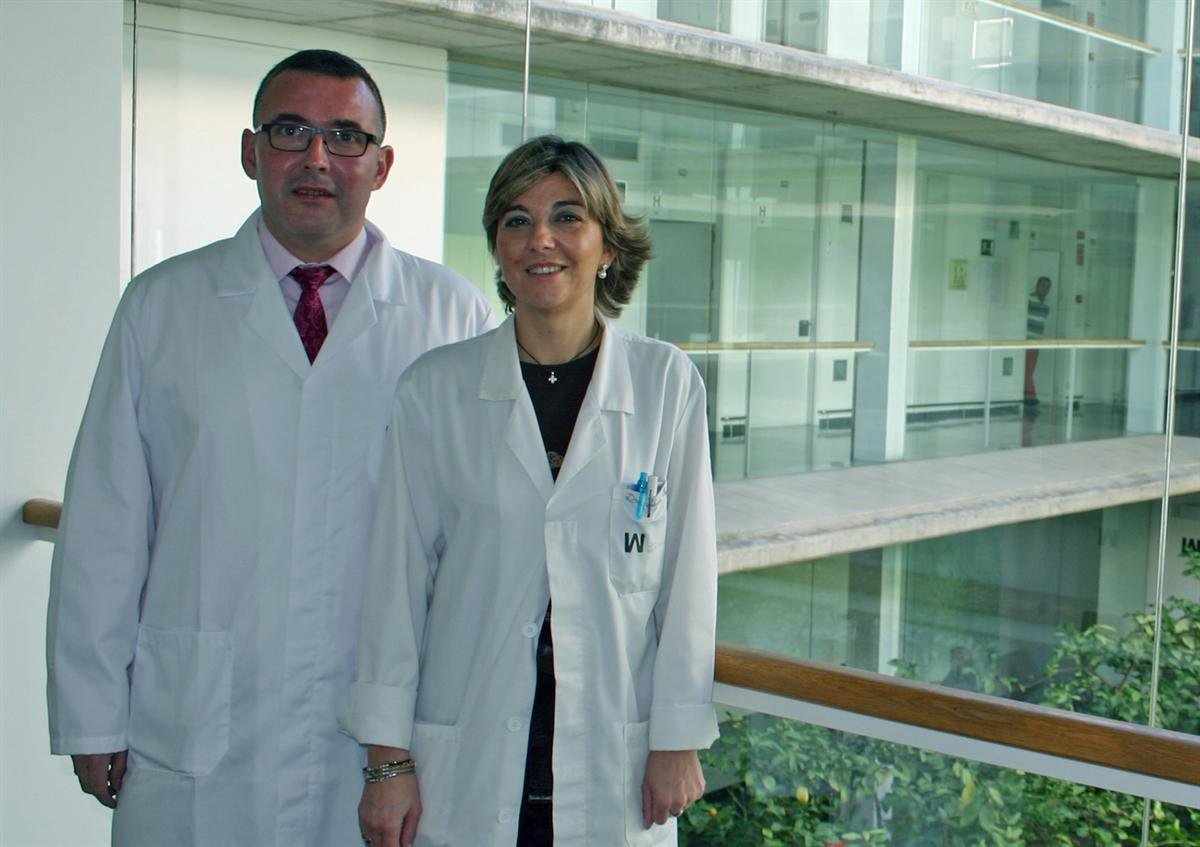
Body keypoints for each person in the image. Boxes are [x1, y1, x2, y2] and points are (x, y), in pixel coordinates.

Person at [46, 49, 494, 847]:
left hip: (382, 742)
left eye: (345, 136)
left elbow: (480, 542)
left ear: (382, 165)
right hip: (196, 728)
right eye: (291, 131)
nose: (317, 157)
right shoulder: (161, 306)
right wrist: (92, 712)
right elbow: (105, 525)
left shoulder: (453, 317)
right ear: (251, 151)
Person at [339, 135, 719, 847]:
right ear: (498, 248)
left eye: (567, 217)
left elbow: (687, 581)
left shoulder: (665, 384)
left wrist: (678, 737)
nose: (540, 238)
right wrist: (387, 761)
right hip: (469, 762)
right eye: (517, 220)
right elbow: (396, 584)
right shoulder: (435, 389)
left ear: (608, 246)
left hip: (613, 767)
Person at [1024, 275, 1052, 407]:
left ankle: (1028, 396)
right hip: (1025, 341)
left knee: (1029, 371)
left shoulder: (1047, 305)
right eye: (1042, 285)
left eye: (1047, 287)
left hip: (1037, 342)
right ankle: (1031, 397)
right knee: (1027, 371)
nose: (1044, 289)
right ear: (1036, 286)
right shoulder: (1028, 299)